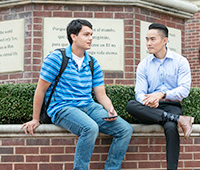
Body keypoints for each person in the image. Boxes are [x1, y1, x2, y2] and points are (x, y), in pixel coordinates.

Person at [22, 19, 133, 170]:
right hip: (62, 107)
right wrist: (35, 118)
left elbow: (101, 95)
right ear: (73, 36)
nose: (91, 38)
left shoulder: (93, 63)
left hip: (88, 106)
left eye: (92, 34)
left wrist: (110, 109)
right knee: (90, 128)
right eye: (86, 34)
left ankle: (112, 168)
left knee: (125, 129)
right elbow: (40, 90)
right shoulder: (56, 58)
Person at [126, 23, 194, 170]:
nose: (148, 43)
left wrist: (163, 94)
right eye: (147, 39)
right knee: (131, 105)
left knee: (170, 127)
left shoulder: (180, 62)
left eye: (152, 39)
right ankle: (180, 120)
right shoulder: (143, 65)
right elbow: (139, 93)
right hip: (149, 107)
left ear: (164, 41)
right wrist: (148, 100)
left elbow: (184, 90)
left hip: (172, 105)